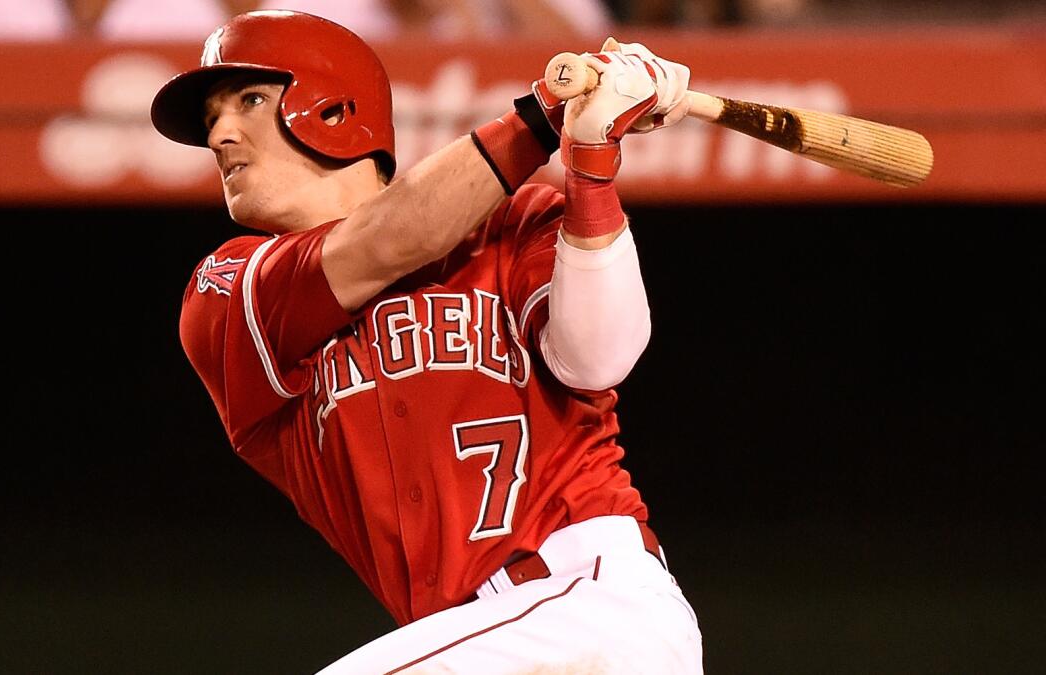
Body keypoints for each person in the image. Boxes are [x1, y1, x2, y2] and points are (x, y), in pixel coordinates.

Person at [151, 10, 702, 673]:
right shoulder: (230, 295)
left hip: (591, 605)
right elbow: (389, 237)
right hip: (481, 637)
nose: (219, 134)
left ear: (331, 107)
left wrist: (591, 160)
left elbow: (601, 356)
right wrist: (542, 118)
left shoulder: (510, 225)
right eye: (212, 116)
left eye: (248, 100)